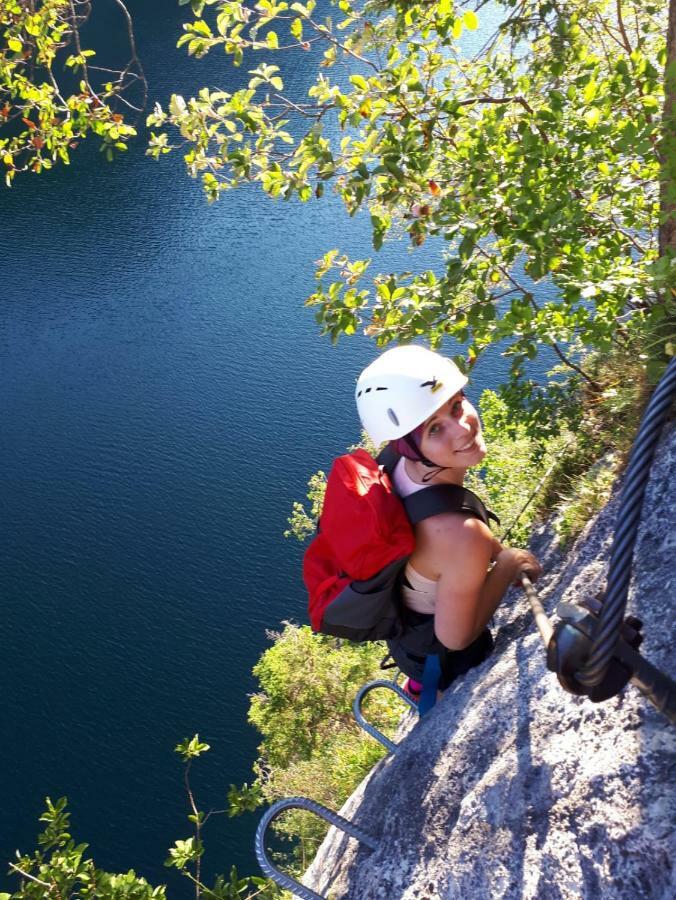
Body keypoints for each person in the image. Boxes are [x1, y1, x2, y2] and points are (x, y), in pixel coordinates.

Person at [355, 345, 542, 702]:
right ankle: (433, 691)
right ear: (410, 443)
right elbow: (455, 639)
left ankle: (420, 681)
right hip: (441, 656)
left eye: (457, 405)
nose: (462, 429)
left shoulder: (395, 461)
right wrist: (505, 565)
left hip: (406, 632)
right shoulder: (459, 532)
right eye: (435, 428)